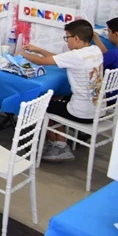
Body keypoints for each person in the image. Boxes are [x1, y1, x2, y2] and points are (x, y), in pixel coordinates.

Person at [18, 20, 103, 162]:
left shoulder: (76, 56)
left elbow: (40, 62)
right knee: (57, 99)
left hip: (81, 112)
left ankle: (58, 145)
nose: (66, 41)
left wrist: (22, 54)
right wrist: (39, 50)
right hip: (98, 110)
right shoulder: (95, 50)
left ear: (76, 38)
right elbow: (60, 59)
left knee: (42, 105)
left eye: (67, 37)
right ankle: (59, 141)